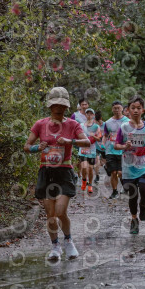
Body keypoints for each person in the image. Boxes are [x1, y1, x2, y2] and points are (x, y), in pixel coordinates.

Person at [24, 87, 90, 261]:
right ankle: (55, 246)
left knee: (60, 211)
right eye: (55, 105)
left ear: (67, 106)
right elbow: (26, 146)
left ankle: (68, 241)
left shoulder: (72, 124)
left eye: (62, 105)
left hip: (64, 171)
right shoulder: (40, 124)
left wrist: (70, 141)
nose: (59, 108)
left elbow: (86, 142)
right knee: (51, 215)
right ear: (50, 106)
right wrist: (37, 147)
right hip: (46, 172)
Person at [115, 96, 145, 234]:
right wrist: (124, 146)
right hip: (129, 166)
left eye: (138, 108)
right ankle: (134, 219)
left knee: (144, 189)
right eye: (133, 108)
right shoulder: (124, 127)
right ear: (128, 110)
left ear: (143, 110)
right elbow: (116, 145)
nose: (135, 110)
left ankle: (144, 205)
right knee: (133, 194)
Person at [103, 101, 129, 199]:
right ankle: (114, 191)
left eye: (118, 108)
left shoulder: (127, 121)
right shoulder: (108, 122)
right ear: (112, 109)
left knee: (120, 173)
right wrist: (103, 144)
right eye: (115, 108)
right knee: (113, 172)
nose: (117, 110)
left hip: (123, 150)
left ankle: (125, 187)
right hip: (110, 150)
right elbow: (105, 135)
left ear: (122, 109)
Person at [78, 108, 102, 193]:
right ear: (85, 115)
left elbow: (99, 139)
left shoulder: (96, 127)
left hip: (91, 151)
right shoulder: (81, 125)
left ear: (93, 115)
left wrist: (93, 136)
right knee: (84, 168)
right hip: (82, 150)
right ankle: (84, 181)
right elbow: (77, 135)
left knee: (90, 169)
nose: (89, 115)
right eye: (87, 113)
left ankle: (90, 184)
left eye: (91, 113)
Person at [70, 98, 89, 183]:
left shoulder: (91, 115)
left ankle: (81, 175)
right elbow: (70, 126)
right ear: (80, 106)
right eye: (82, 105)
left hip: (86, 141)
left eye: (86, 104)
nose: (84, 106)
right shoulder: (75, 115)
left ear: (88, 105)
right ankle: (74, 175)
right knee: (76, 159)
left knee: (83, 160)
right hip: (76, 141)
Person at [94, 110, 105, 183]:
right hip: (96, 147)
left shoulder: (106, 125)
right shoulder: (94, 126)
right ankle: (97, 175)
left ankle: (105, 168)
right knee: (96, 160)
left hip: (105, 147)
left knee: (104, 162)